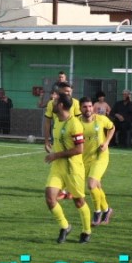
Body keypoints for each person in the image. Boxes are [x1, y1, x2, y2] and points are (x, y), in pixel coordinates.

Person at [43, 94, 92, 244]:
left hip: (73, 168)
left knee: (79, 201)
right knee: (50, 198)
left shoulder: (75, 125)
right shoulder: (57, 121)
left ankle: (86, 231)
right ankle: (65, 226)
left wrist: (56, 154)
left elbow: (79, 149)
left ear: (62, 106)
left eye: (55, 102)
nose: (52, 103)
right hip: (58, 167)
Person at [79, 97, 116, 226]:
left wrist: (106, 143)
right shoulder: (76, 122)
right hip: (85, 159)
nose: (88, 109)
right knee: (97, 186)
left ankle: (97, 212)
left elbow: (112, 128)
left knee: (91, 184)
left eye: (90, 106)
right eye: (85, 107)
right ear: (80, 109)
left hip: (101, 156)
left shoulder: (101, 119)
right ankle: (107, 210)